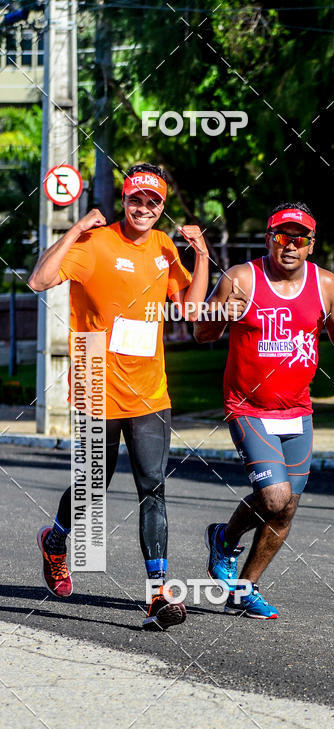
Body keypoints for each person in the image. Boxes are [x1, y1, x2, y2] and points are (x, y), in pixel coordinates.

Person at [29, 164, 208, 631]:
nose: (143, 208)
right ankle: (57, 539)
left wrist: (202, 255)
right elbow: (40, 280)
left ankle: (156, 594)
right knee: (93, 490)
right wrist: (75, 229)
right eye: (136, 200)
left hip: (149, 392)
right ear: (124, 201)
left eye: (153, 202)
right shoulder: (96, 243)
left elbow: (190, 309)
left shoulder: (166, 247)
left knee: (153, 487)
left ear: (162, 207)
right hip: (94, 383)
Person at [194, 201, 334, 619]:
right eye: (281, 236)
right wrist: (220, 314)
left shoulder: (326, 285)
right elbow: (201, 332)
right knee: (274, 497)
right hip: (248, 406)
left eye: (299, 238)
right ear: (269, 238)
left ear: (310, 244)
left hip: (298, 410)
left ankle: (244, 589)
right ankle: (225, 537)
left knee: (287, 507)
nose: (290, 245)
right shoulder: (241, 279)